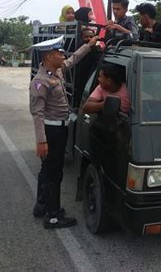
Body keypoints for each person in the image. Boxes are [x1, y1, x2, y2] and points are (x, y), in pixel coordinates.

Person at [30, 34, 99, 229]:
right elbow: (37, 113)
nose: (63, 55)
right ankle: (53, 216)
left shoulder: (56, 72)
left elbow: (74, 59)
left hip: (58, 130)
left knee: (46, 170)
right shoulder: (40, 81)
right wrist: (41, 141)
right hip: (52, 132)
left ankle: (41, 205)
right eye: (59, 53)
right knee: (54, 173)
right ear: (48, 57)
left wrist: (89, 45)